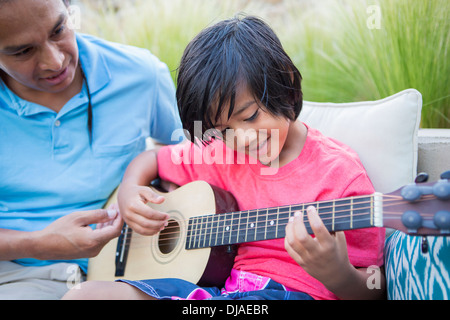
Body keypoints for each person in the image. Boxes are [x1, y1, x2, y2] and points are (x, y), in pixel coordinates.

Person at [63, 15, 385, 300]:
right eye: (222, 129)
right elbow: (152, 160)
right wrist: (130, 191)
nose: (242, 138)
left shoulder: (340, 176)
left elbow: (374, 286)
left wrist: (337, 273)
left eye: (249, 117)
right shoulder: (223, 153)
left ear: (284, 84)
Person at [0, 0, 182, 299]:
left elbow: (182, 156)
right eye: (23, 51)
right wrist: (38, 243)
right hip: (15, 274)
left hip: (128, 274)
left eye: (59, 29)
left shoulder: (143, 74)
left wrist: (155, 189)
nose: (55, 61)